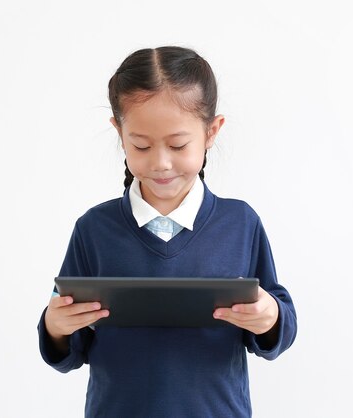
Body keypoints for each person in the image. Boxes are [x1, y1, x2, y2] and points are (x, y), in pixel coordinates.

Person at [37, 46, 297, 418]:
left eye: (178, 145)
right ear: (119, 131)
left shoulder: (240, 223)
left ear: (211, 131)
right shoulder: (93, 229)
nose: (160, 163)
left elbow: (278, 325)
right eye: (140, 145)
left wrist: (269, 316)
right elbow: (69, 347)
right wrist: (56, 326)